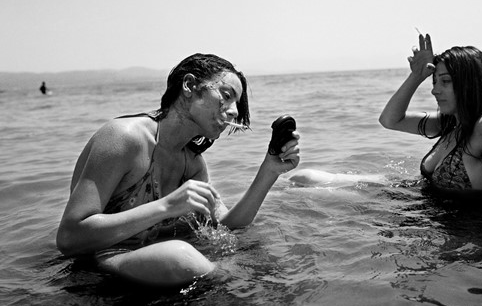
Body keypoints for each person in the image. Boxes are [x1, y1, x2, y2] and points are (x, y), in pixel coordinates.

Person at [56, 53, 300, 287]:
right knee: (179, 256)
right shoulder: (124, 138)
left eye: (237, 103)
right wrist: (167, 207)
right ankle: (244, 283)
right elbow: (69, 238)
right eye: (226, 95)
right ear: (189, 85)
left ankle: (241, 280)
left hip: (152, 268)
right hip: (101, 268)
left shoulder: (192, 165)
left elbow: (226, 224)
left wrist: (270, 170)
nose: (234, 111)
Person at [379, 33, 482, 194]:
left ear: (469, 83)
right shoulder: (448, 124)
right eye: (434, 82)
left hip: (466, 218)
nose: (434, 90)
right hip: (426, 214)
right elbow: (389, 120)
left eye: (445, 81)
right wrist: (416, 76)